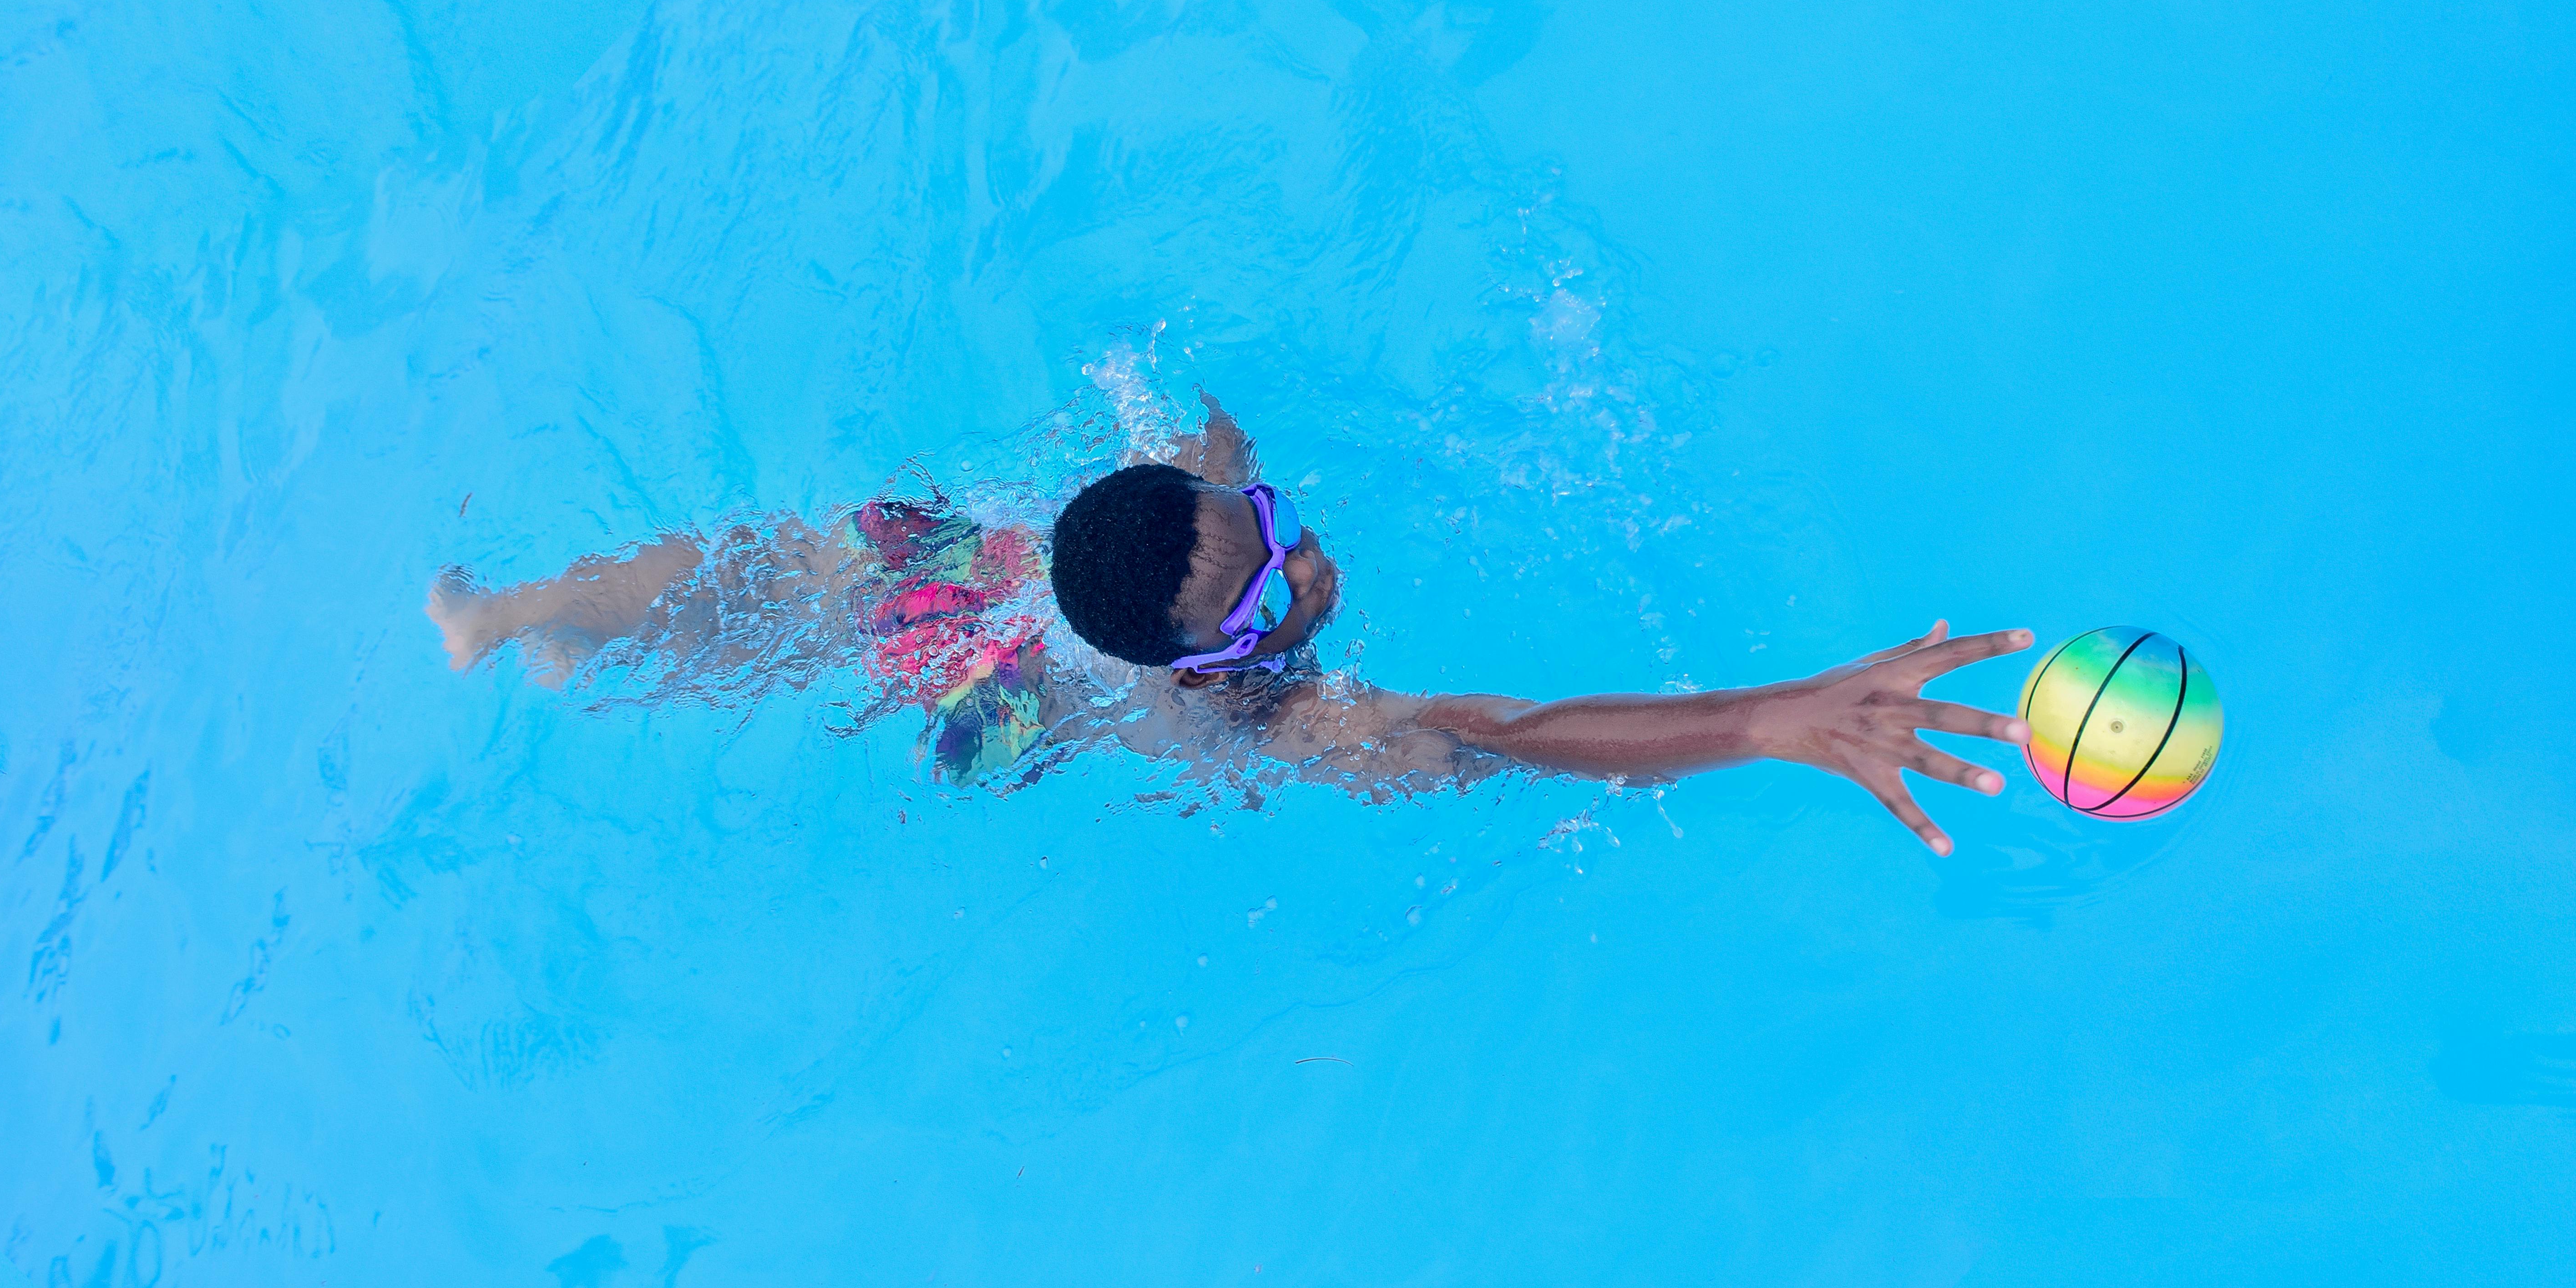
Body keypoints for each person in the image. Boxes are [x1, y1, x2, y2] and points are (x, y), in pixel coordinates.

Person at [427, 392, 2033, 851]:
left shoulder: (1173, 520)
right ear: (1226, 655)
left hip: (1018, 591)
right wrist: (1775, 714)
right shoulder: (1265, 714)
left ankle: (516, 621)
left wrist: (1227, 481)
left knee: (834, 565)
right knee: (889, 642)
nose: (1302, 556)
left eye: (1263, 530)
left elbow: (1204, 445)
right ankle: (517, 621)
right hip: (1055, 698)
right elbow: (1515, 735)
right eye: (1276, 583)